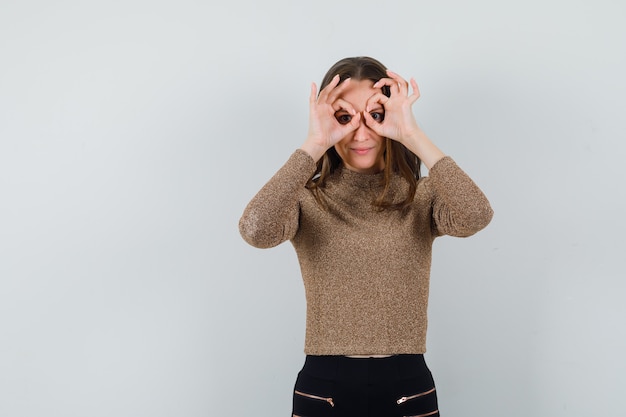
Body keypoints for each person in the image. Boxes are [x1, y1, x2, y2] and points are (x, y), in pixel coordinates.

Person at [239, 56, 493, 417]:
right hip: (325, 385)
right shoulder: (307, 199)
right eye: (344, 118)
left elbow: (476, 214)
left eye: (376, 115)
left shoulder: (421, 195)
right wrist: (314, 144)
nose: (360, 133)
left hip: (407, 382)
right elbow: (255, 230)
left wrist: (412, 134)